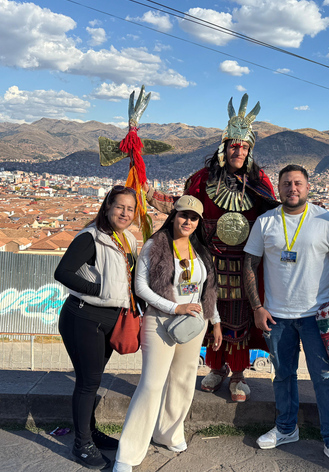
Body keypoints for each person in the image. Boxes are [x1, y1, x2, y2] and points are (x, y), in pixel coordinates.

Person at [144, 93, 278, 402]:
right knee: (209, 311)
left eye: (244, 146)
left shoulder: (260, 181)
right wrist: (149, 193)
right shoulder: (203, 180)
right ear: (224, 146)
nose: (239, 150)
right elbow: (182, 208)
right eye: (234, 145)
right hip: (210, 261)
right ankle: (217, 369)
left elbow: (274, 215)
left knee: (241, 316)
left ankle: (239, 374)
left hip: (246, 264)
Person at [243, 164, 329, 472]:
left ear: (308, 187)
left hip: (317, 316)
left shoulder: (325, 219)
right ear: (278, 189)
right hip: (277, 316)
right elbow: (249, 264)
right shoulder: (266, 222)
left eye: (298, 183)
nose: (292, 188)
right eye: (287, 183)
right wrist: (257, 306)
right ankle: (285, 428)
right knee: (282, 375)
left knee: (325, 379)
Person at [113, 195, 222, 472]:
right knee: (151, 385)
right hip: (160, 322)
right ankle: (128, 453)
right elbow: (141, 288)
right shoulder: (155, 245)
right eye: (183, 215)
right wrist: (175, 307)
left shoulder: (202, 252)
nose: (187, 221)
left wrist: (216, 321)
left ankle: (169, 433)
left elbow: (207, 290)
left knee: (183, 380)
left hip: (193, 324)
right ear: (173, 216)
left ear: (198, 223)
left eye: (193, 217)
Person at [54, 185, 139, 470]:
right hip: (83, 317)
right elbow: (62, 272)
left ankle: (89, 433)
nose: (125, 213)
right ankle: (82, 444)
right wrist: (100, 288)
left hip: (109, 321)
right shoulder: (91, 237)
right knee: (88, 382)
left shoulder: (128, 240)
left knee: (92, 379)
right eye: (120, 207)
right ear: (107, 207)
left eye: (130, 209)